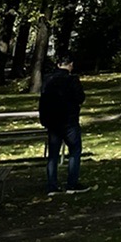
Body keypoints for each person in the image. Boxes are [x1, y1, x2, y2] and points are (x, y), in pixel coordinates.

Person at [38, 54, 85, 195]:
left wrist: (44, 119)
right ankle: (72, 183)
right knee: (75, 151)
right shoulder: (71, 80)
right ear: (70, 65)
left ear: (58, 65)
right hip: (69, 121)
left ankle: (52, 186)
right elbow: (80, 98)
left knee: (53, 155)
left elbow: (43, 101)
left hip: (52, 121)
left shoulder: (48, 80)